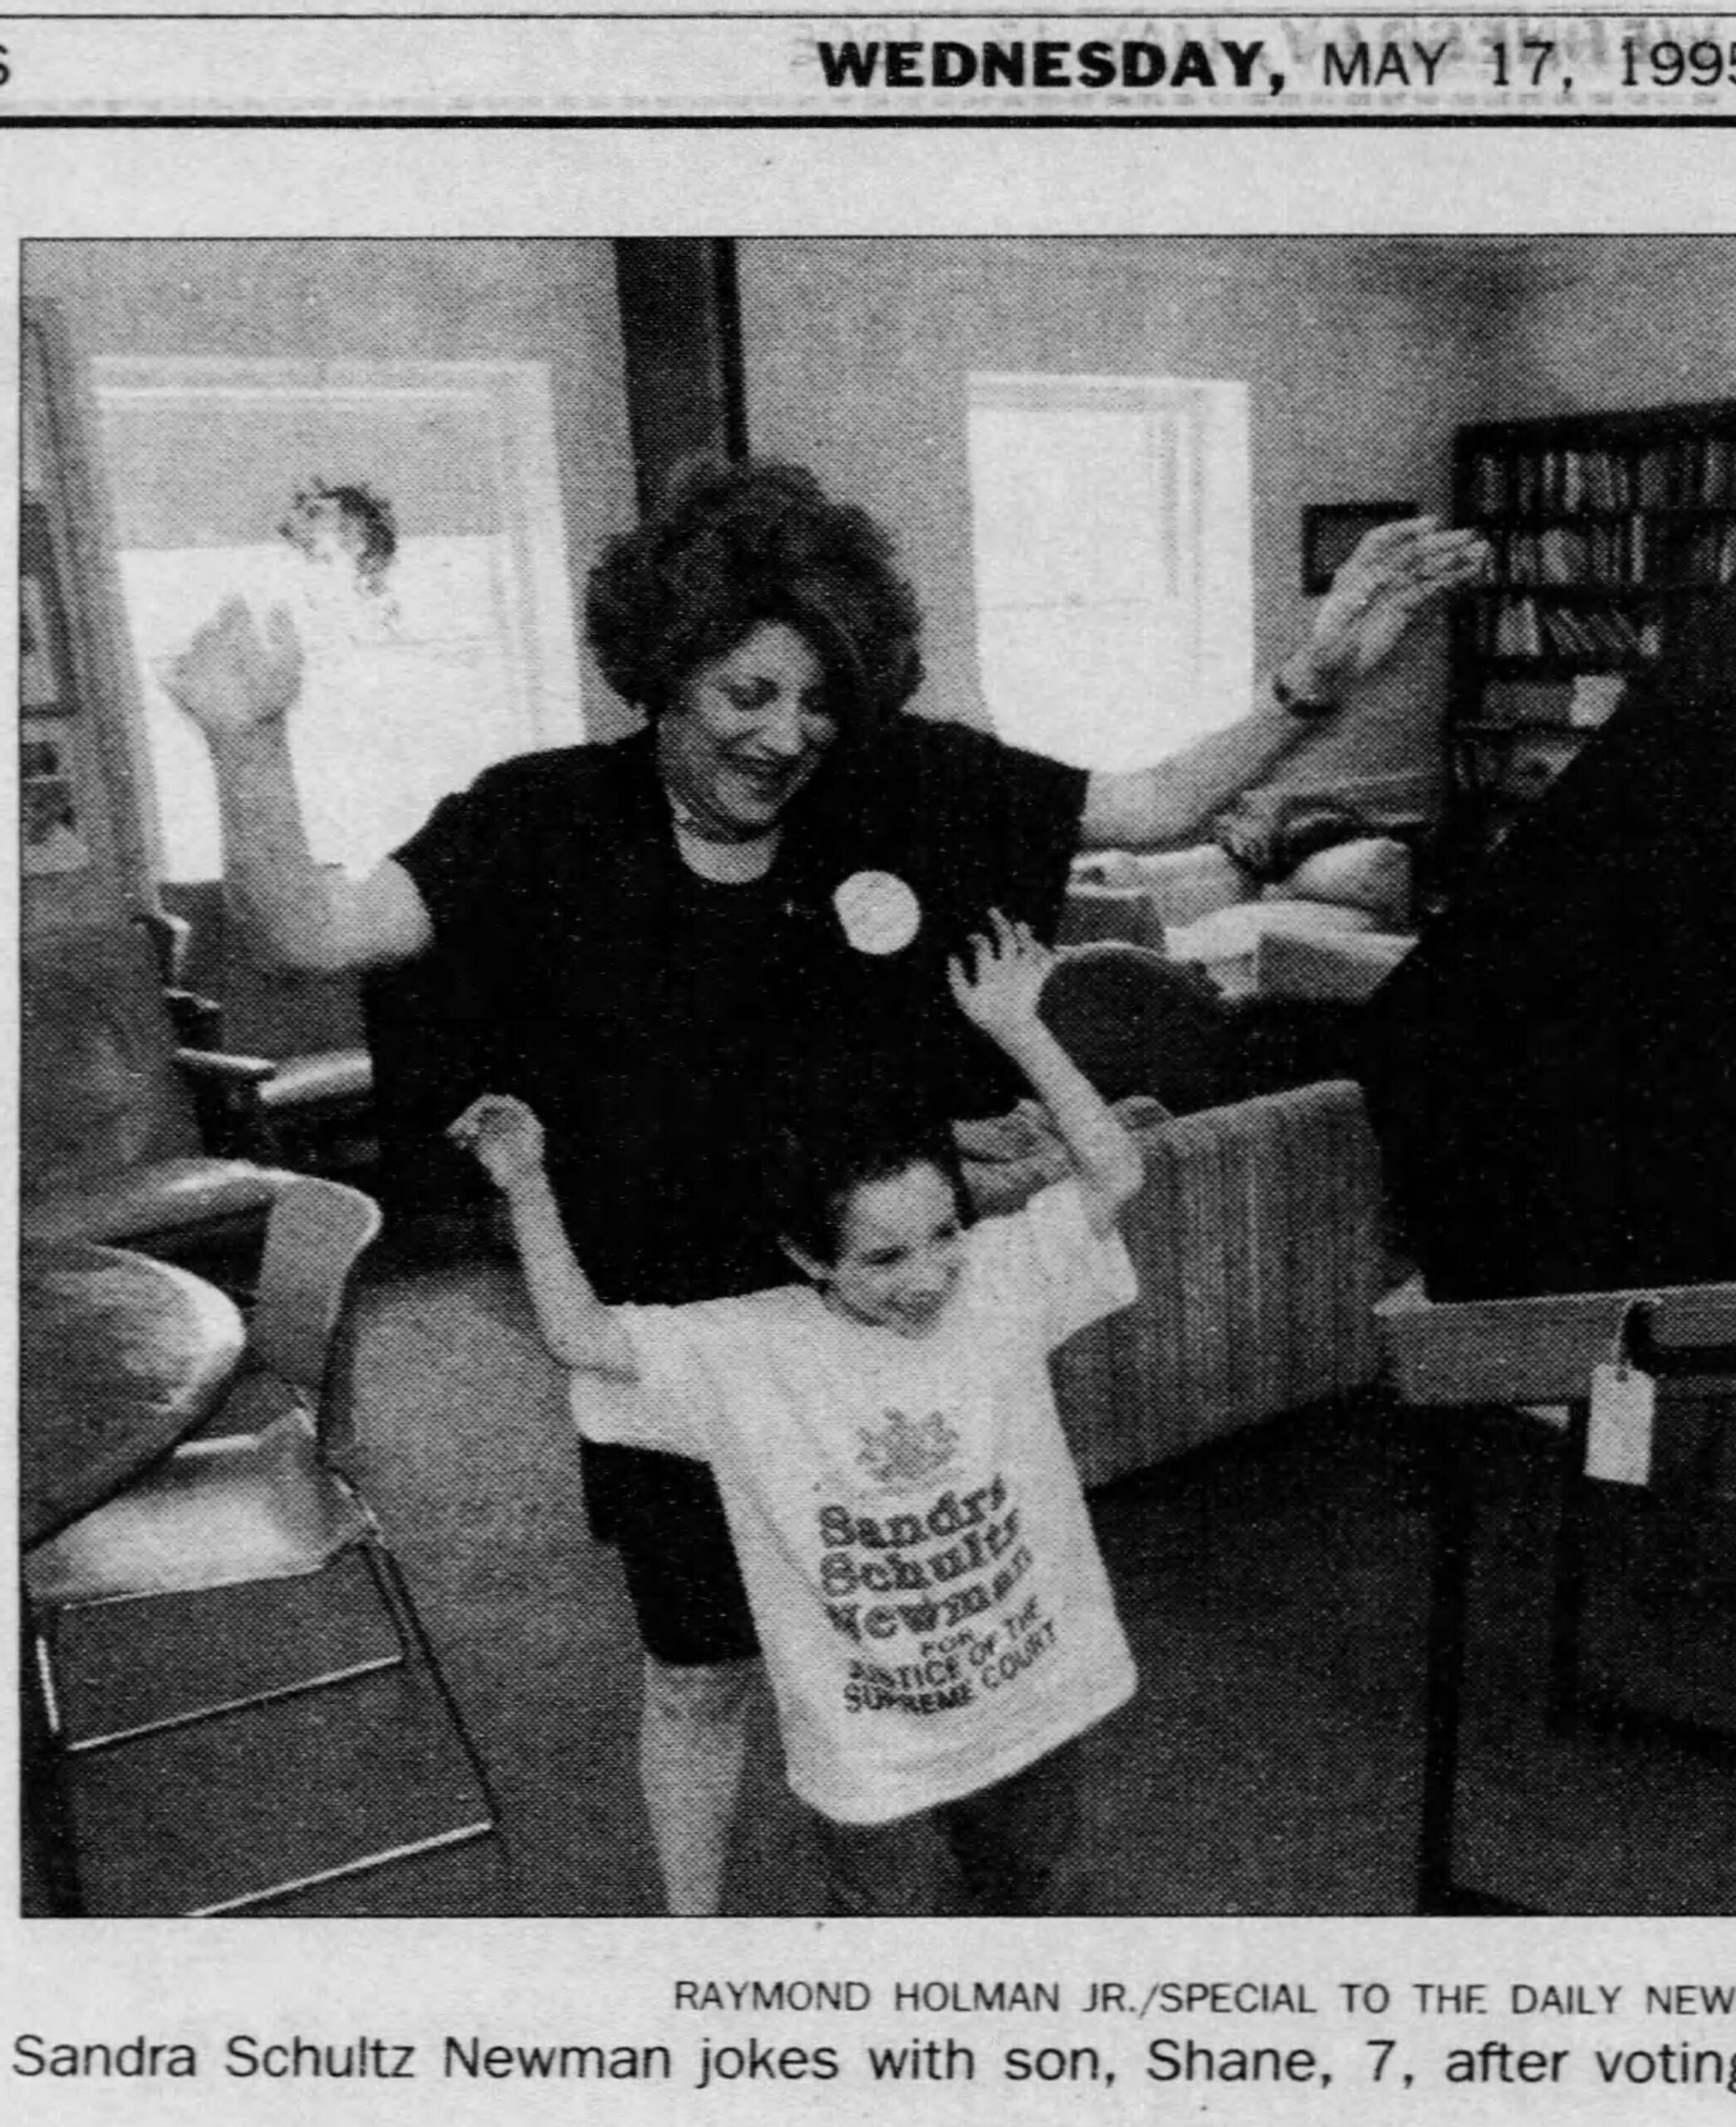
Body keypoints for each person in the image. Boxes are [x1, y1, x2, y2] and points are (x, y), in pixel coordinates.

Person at [159, 455, 1481, 1913]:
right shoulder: (538, 822)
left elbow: (1153, 800)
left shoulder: (894, 783)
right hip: (685, 1342)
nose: (787, 735)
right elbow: (308, 930)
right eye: (746, 694)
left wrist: (1311, 683)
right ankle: (692, 1953)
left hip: (887, 1321)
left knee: (929, 1626)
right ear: (663, 672)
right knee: (701, 1671)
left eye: (818, 700)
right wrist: (246, 741)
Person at [450, 913, 1145, 1913]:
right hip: (872, 1749)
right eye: (882, 1258)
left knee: (1031, 1903)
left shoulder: (999, 1279)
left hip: (1031, 1705)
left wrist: (1019, 1028)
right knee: (883, 1930)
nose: (928, 1276)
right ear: (806, 1256)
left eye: (942, 1233)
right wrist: (527, 1185)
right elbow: (581, 1337)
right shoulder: (747, 1347)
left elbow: (1113, 1171)